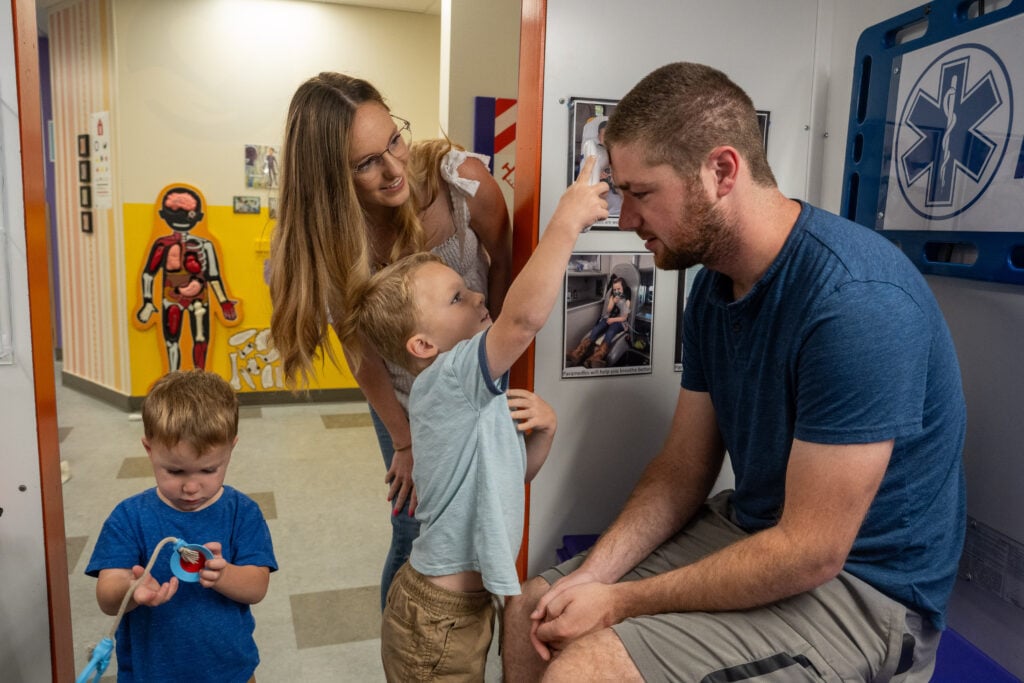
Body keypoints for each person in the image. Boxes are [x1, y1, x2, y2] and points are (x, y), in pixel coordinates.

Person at [503, 62, 967, 682]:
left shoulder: (857, 301)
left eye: (641, 193)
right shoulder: (714, 290)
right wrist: (592, 578)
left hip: (864, 590)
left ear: (721, 171)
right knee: (530, 609)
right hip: (754, 533)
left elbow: (811, 552)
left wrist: (620, 601)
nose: (625, 219)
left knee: (584, 669)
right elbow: (680, 471)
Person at [338, 158, 607, 681]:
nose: (479, 295)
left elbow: (506, 481)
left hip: (460, 609)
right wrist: (566, 222)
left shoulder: (468, 395)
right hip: (438, 619)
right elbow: (524, 319)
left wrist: (545, 433)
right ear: (423, 345)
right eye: (457, 298)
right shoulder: (448, 378)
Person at [268, 72, 513, 609]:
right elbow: (364, 358)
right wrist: (405, 442)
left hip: (480, 376)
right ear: (331, 178)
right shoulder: (330, 236)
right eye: (366, 163)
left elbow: (503, 265)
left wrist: (494, 349)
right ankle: (406, 657)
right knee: (412, 527)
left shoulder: (463, 182)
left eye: (394, 140)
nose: (394, 167)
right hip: (404, 393)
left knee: (488, 520)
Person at [85, 370, 277, 682]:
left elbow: (257, 587)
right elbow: (107, 598)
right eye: (175, 471)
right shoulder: (129, 517)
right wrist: (132, 591)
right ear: (149, 450)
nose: (191, 487)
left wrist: (224, 575)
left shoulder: (243, 513)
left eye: (208, 470)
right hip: (151, 674)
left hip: (232, 672)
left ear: (232, 448)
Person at [564, 275, 631, 368]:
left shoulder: (627, 300)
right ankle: (578, 353)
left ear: (624, 288)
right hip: (609, 318)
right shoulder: (613, 297)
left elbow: (624, 318)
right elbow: (608, 310)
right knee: (597, 328)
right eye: (615, 289)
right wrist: (613, 301)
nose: (617, 291)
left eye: (619, 289)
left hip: (619, 322)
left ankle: (597, 357)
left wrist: (613, 319)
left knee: (610, 332)